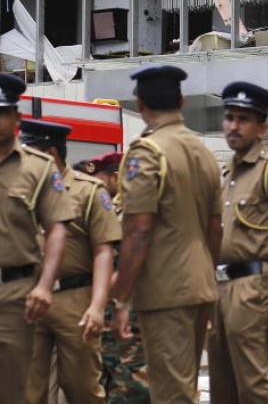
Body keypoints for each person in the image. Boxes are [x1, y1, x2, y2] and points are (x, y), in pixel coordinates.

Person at [111, 65, 223, 404]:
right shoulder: (203, 153)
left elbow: (138, 230)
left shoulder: (147, 152)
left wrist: (121, 300)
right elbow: (215, 229)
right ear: (182, 100)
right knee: (183, 386)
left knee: (169, 393)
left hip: (166, 290)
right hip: (200, 285)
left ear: (140, 104)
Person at [208, 81, 268, 404]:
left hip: (254, 289)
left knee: (254, 390)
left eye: (243, 119)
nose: (233, 126)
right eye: (229, 117)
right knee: (222, 392)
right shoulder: (225, 174)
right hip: (219, 288)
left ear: (261, 128)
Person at [20, 120, 121, 404]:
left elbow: (103, 251)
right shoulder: (22, 189)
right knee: (27, 391)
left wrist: (98, 306)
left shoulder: (87, 191)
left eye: (30, 153)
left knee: (82, 388)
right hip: (29, 299)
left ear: (51, 153)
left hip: (74, 300)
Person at [0, 74, 73, 403]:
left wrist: (45, 285)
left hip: (15, 295)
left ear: (16, 117)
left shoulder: (39, 168)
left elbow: (57, 229)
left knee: (16, 390)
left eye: (2, 112)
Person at [87, 151, 151, 404]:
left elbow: (131, 262)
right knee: (107, 385)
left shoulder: (136, 215)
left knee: (135, 388)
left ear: (115, 178)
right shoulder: (111, 212)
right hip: (109, 319)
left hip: (131, 316)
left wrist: (101, 299)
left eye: (100, 180)